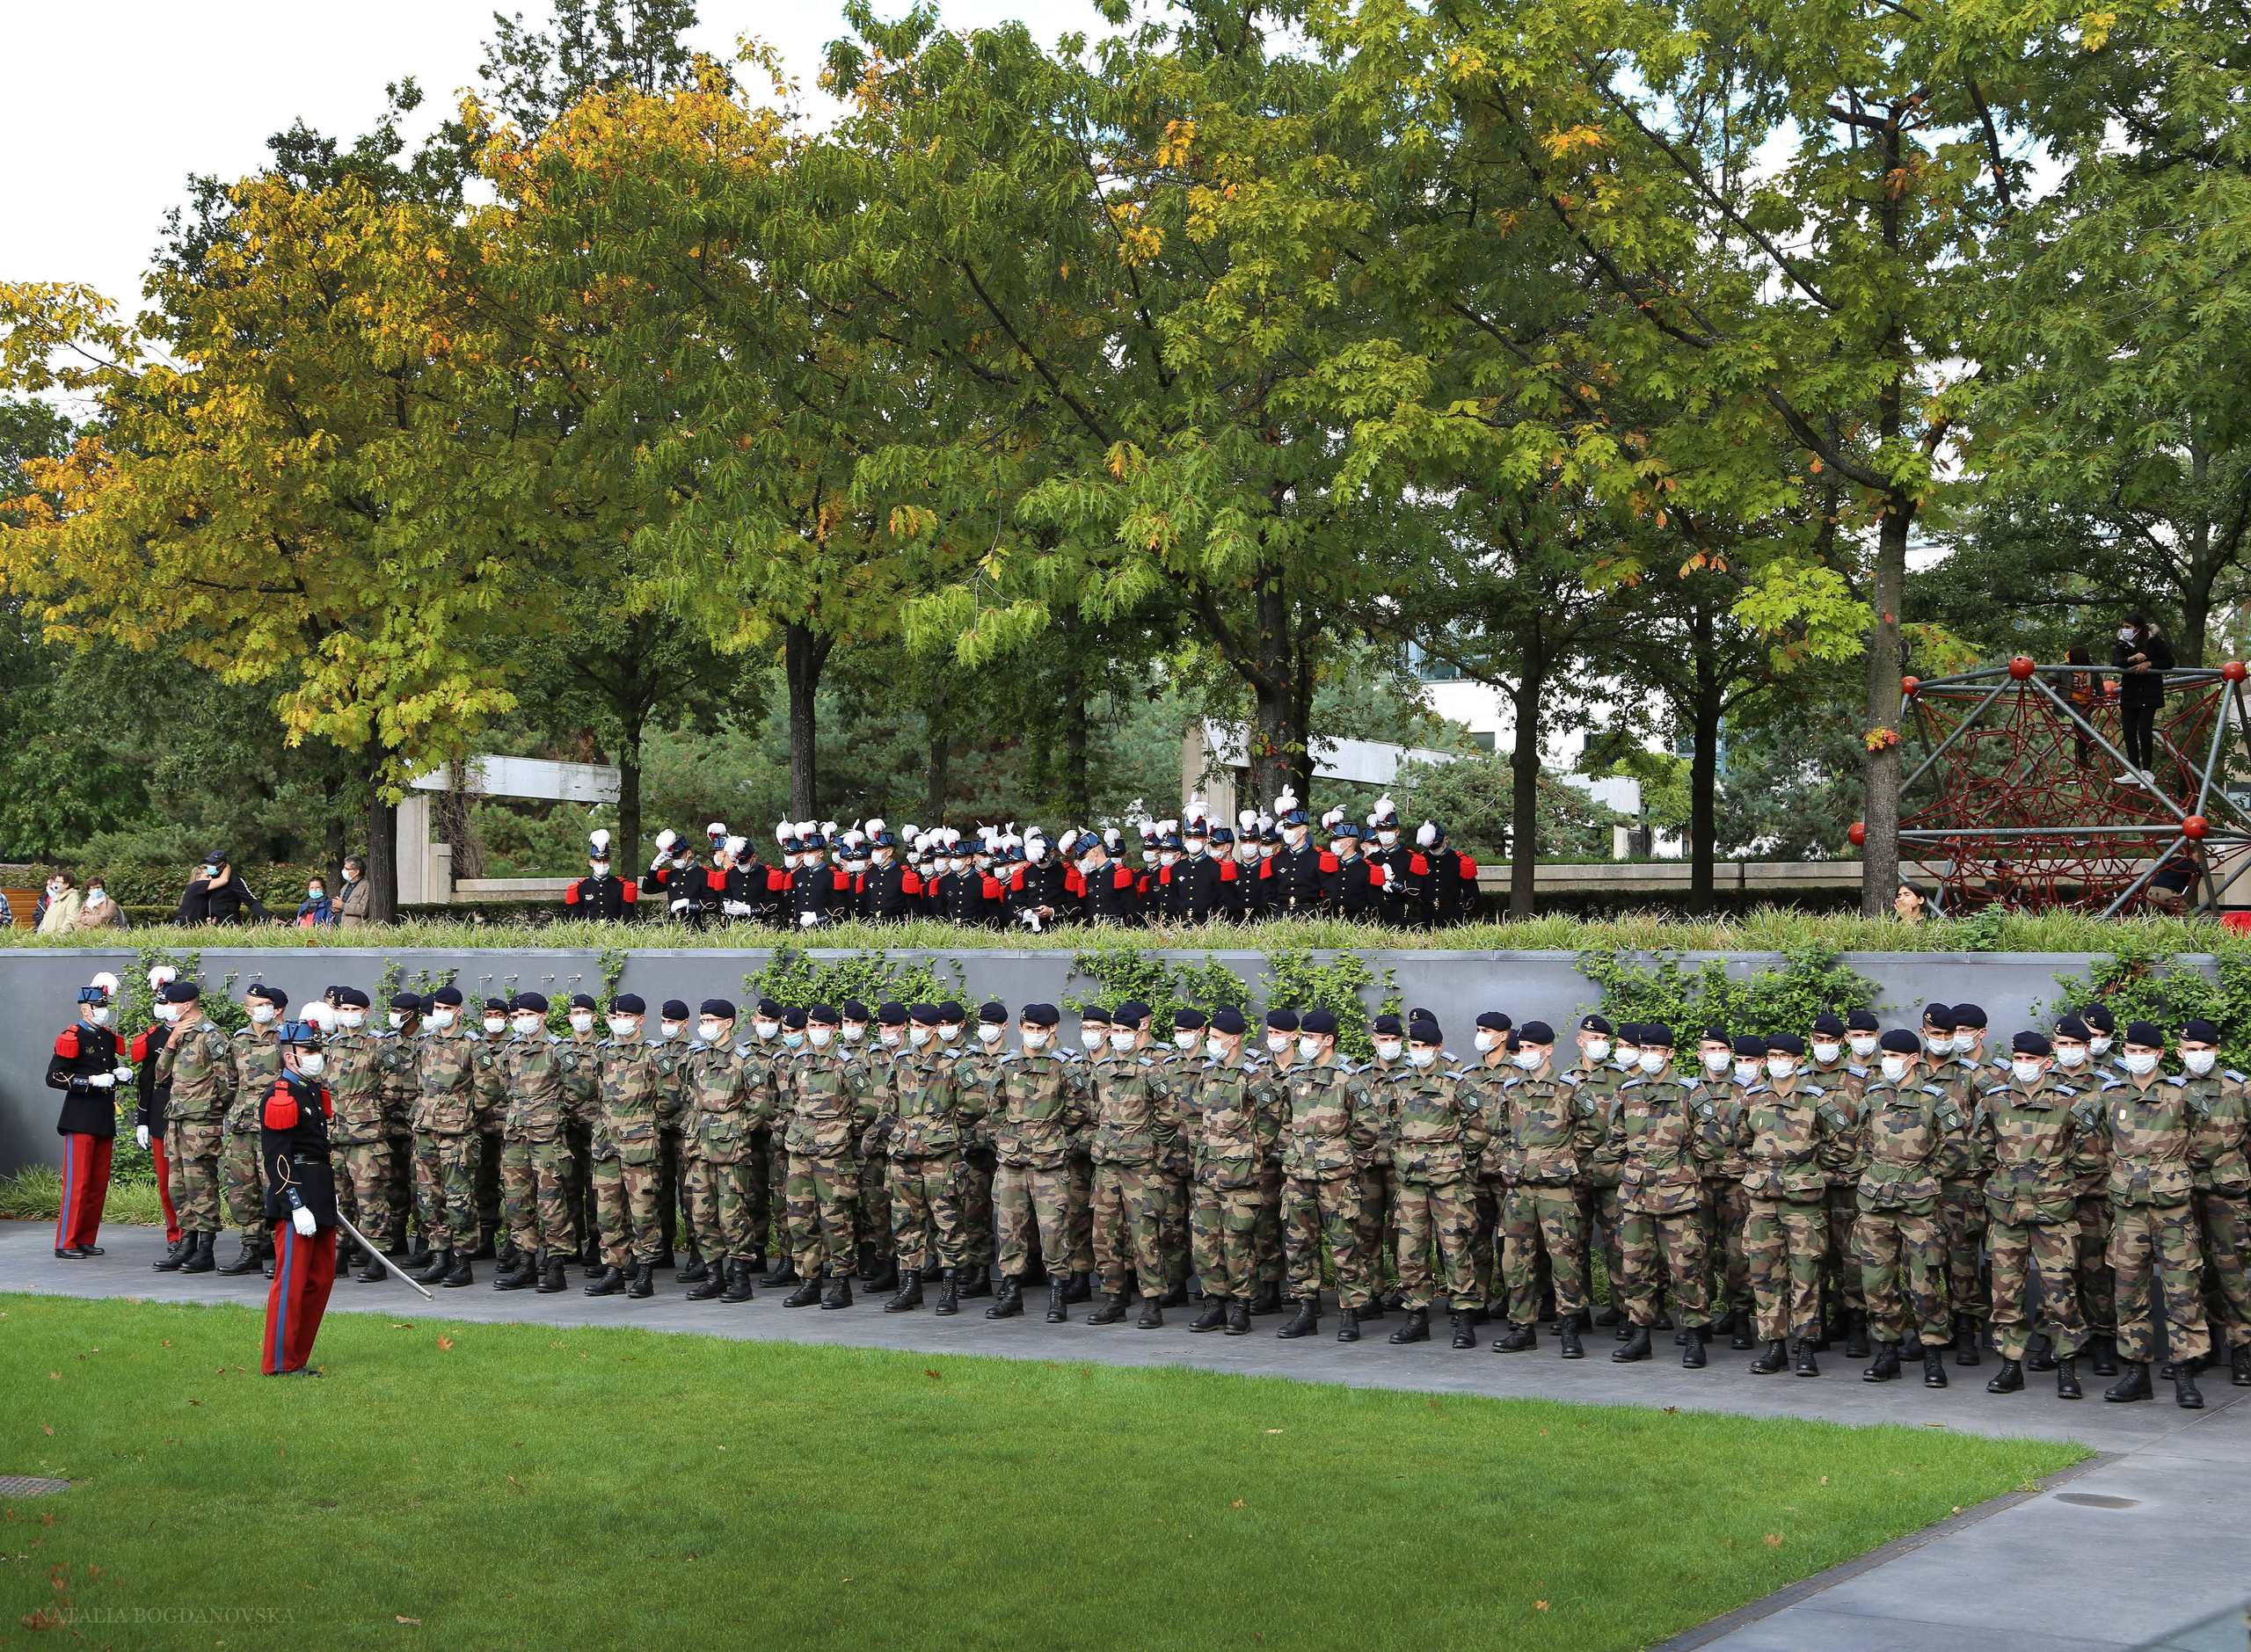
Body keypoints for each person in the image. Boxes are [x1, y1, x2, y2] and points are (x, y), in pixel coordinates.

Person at [2077, 1021, 2208, 1407]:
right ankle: (2136, 1373)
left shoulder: (2183, 1094)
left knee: (2183, 1291)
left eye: (2144, 1051)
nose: (2137, 1058)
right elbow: (2100, 1144)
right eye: (2131, 1051)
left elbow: (2202, 1141)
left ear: (2160, 1054)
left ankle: (2185, 1375)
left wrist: (2171, 1173)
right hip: (2128, 1210)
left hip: (2173, 1211)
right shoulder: (2109, 1095)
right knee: (2128, 1293)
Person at [1975, 1031, 2088, 1399]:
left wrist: (2058, 1182)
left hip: (2053, 1211)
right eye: (2019, 1058)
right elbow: (1981, 1150)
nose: (2023, 1065)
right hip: (2007, 1211)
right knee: (2005, 1293)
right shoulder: (1995, 1102)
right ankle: (2010, 1366)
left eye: (2031, 1059)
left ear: (2046, 1063)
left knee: (2060, 1291)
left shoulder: (2068, 1102)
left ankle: (2066, 1367)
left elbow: (2089, 1152)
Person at [1856, 1029, 1961, 1389]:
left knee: (1924, 1282)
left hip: (1918, 1206)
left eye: (1894, 1056)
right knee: (1876, 1282)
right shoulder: (1873, 1097)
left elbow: (1957, 1149)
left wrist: (1925, 1178)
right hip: (1876, 1202)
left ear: (1912, 1059)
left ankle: (1933, 1354)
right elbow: (1861, 1144)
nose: (1887, 1061)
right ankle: (1887, 1352)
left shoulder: (1936, 1100)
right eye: (1884, 1055)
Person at [1606, 1025, 1715, 1367]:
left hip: (1677, 1196)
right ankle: (1640, 1336)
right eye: (1644, 1050)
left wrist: (1677, 1164)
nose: (1648, 1056)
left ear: (1669, 1053)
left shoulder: (1690, 1093)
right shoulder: (1627, 1091)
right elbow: (1615, 1139)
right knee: (1635, 1268)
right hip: (1636, 1194)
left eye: (1655, 1050)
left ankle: (1695, 1336)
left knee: (1686, 1267)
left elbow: (1711, 1143)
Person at [1274, 1008, 1374, 1343]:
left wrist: (1343, 1155)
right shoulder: (1296, 1077)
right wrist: (1292, 1153)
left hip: (1336, 1177)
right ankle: (1306, 1309)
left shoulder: (1348, 1079)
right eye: (1303, 1037)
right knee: (1298, 1244)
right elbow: (1286, 1123)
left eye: (1311, 1038)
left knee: (1344, 1245)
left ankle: (1350, 1313)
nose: (1305, 1042)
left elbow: (1367, 1127)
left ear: (1328, 1040)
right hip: (1298, 1174)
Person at [260, 1009, 340, 1376]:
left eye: (317, 1050)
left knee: (320, 1279)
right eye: (309, 1051)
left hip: (318, 1191)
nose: (316, 1056)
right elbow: (278, 1156)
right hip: (296, 1197)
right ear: (290, 1055)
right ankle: (279, 1362)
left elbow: (318, 1150)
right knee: (292, 1282)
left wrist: (327, 1194)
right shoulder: (281, 1094)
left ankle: (298, 1357)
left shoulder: (310, 1090)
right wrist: (295, 1203)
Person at [152, 979, 234, 1273]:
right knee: (178, 1186)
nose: (167, 1008)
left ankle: (205, 1249)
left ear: (186, 1005)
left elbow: (228, 1082)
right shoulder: (179, 1034)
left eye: (171, 1003)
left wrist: (212, 1112)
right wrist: (171, 1042)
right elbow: (160, 1076)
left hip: (201, 1124)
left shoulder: (211, 1035)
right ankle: (186, 1244)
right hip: (177, 1121)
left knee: (201, 1186)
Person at [47, 972, 128, 1258]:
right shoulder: (72, 1036)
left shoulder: (106, 1037)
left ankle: (85, 1238)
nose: (104, 1011)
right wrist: (90, 1081)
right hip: (79, 1117)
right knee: (77, 1184)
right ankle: (66, 1242)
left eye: (105, 1006)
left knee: (97, 1184)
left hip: (103, 1116)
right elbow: (54, 1077)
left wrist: (122, 1075)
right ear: (85, 1009)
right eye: (99, 1007)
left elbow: (109, 1070)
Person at [133, 967, 186, 1262]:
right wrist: (141, 1120)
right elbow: (146, 1080)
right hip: (160, 1114)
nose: (165, 1007)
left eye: (169, 1002)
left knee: (192, 1180)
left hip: (191, 1112)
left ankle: (196, 1234)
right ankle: (175, 1234)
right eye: (161, 1002)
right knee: (167, 1182)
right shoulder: (153, 1038)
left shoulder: (197, 1033)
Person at [2112, 614, 2174, 785]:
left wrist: (2149, 664)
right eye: (2123, 627)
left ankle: (2147, 771)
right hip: (2130, 692)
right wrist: (2130, 659)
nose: (2125, 630)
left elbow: (2169, 661)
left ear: (2138, 628)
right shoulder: (2122, 643)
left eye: (2128, 627)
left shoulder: (2153, 641)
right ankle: (2133, 770)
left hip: (2149, 692)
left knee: (2144, 730)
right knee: (2128, 731)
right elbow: (2116, 662)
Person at [561, 830, 641, 921]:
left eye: (605, 860)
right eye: (598, 861)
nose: (602, 864)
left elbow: (628, 919)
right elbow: (575, 919)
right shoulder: (582, 887)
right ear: (591, 862)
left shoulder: (620, 886)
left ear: (609, 861)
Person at [176, 851, 266, 924]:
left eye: (214, 863)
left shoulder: (230, 882)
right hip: (186, 926)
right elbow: (224, 880)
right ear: (198, 877)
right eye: (207, 876)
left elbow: (251, 901)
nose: (210, 878)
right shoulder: (198, 885)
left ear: (222, 864)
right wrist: (227, 867)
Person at [2064, 642, 2099, 768]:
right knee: (2085, 719)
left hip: (2087, 702)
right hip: (2072, 702)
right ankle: (2090, 740)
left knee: (2080, 731)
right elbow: (2052, 677)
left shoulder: (2091, 668)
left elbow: (2098, 682)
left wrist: (2102, 695)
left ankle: (2082, 759)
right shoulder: (2066, 668)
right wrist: (2042, 690)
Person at [35, 870, 84, 935]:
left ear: (66, 885)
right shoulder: (57, 896)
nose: (55, 884)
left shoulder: (73, 898)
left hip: (59, 937)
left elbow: (71, 919)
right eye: (55, 881)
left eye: (58, 882)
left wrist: (59, 934)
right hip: (49, 936)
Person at [336, 856, 373, 927]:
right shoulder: (345, 886)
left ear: (356, 872)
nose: (343, 870)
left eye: (347, 869)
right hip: (340, 926)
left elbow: (363, 910)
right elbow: (339, 905)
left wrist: (343, 906)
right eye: (344, 868)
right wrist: (335, 908)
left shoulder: (366, 886)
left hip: (354, 928)